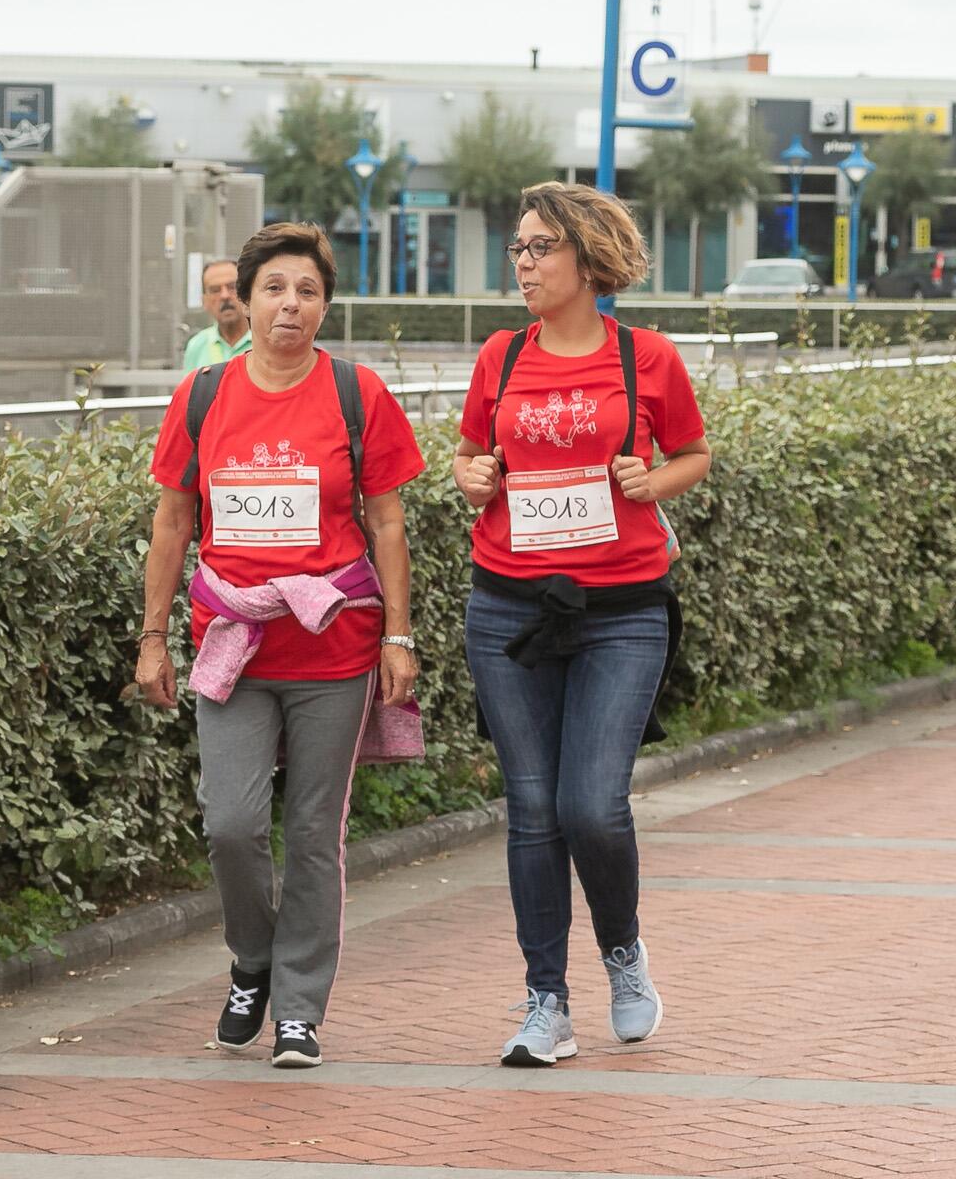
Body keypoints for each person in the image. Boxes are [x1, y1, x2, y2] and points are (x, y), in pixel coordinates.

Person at [139, 222, 424, 1070]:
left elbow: (387, 521)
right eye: (273, 289)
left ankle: (298, 1007)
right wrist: (153, 638)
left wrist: (398, 636)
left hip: (334, 647)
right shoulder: (202, 395)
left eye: (306, 290)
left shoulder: (356, 393)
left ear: (325, 305)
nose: (288, 305)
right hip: (232, 645)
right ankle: (252, 960)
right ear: (245, 298)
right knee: (229, 823)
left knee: (312, 834)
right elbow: (173, 522)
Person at [453, 182, 711, 1067]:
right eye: (516, 249)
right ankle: (546, 1004)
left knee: (590, 807)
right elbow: (466, 453)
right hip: (508, 609)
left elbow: (694, 454)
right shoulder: (500, 356)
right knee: (531, 810)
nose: (521, 265)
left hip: (621, 610)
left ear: (587, 260)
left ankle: (624, 956)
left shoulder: (647, 358)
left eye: (538, 249)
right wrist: (471, 478)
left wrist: (655, 484)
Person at [182, 258, 254, 371]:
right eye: (215, 290)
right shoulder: (197, 346)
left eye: (232, 287)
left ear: (247, 293)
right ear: (204, 301)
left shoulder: (265, 342)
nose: (224, 296)